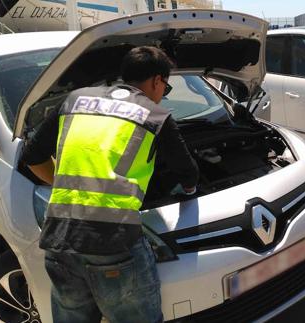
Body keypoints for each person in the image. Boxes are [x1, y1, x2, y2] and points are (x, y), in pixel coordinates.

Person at [21, 46, 199, 323]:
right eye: (166, 86)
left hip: (60, 238)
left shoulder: (74, 100)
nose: (163, 93)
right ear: (157, 81)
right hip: (114, 246)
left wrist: (65, 182)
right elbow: (188, 173)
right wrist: (188, 191)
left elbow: (32, 157)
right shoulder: (154, 116)